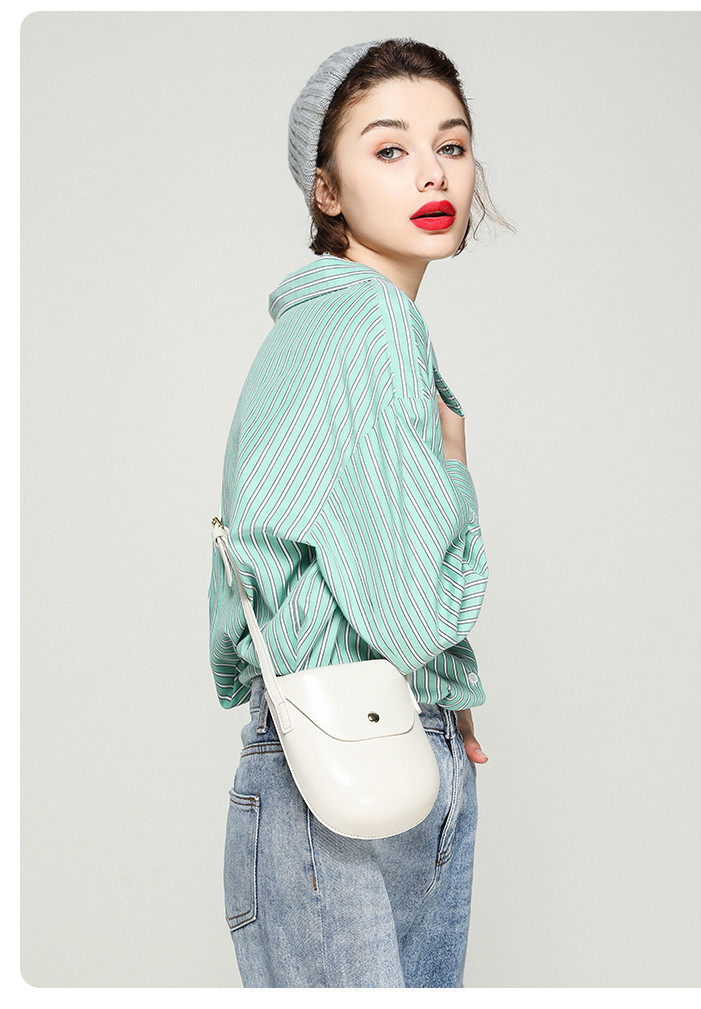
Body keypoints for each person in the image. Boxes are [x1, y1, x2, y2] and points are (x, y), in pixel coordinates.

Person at [208, 36, 511, 988]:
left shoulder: (319, 329)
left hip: (352, 744)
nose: (433, 173)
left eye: (451, 145)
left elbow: (275, 587)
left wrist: (442, 685)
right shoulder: (374, 322)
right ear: (326, 190)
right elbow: (413, 611)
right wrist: (455, 470)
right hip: (349, 765)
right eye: (389, 148)